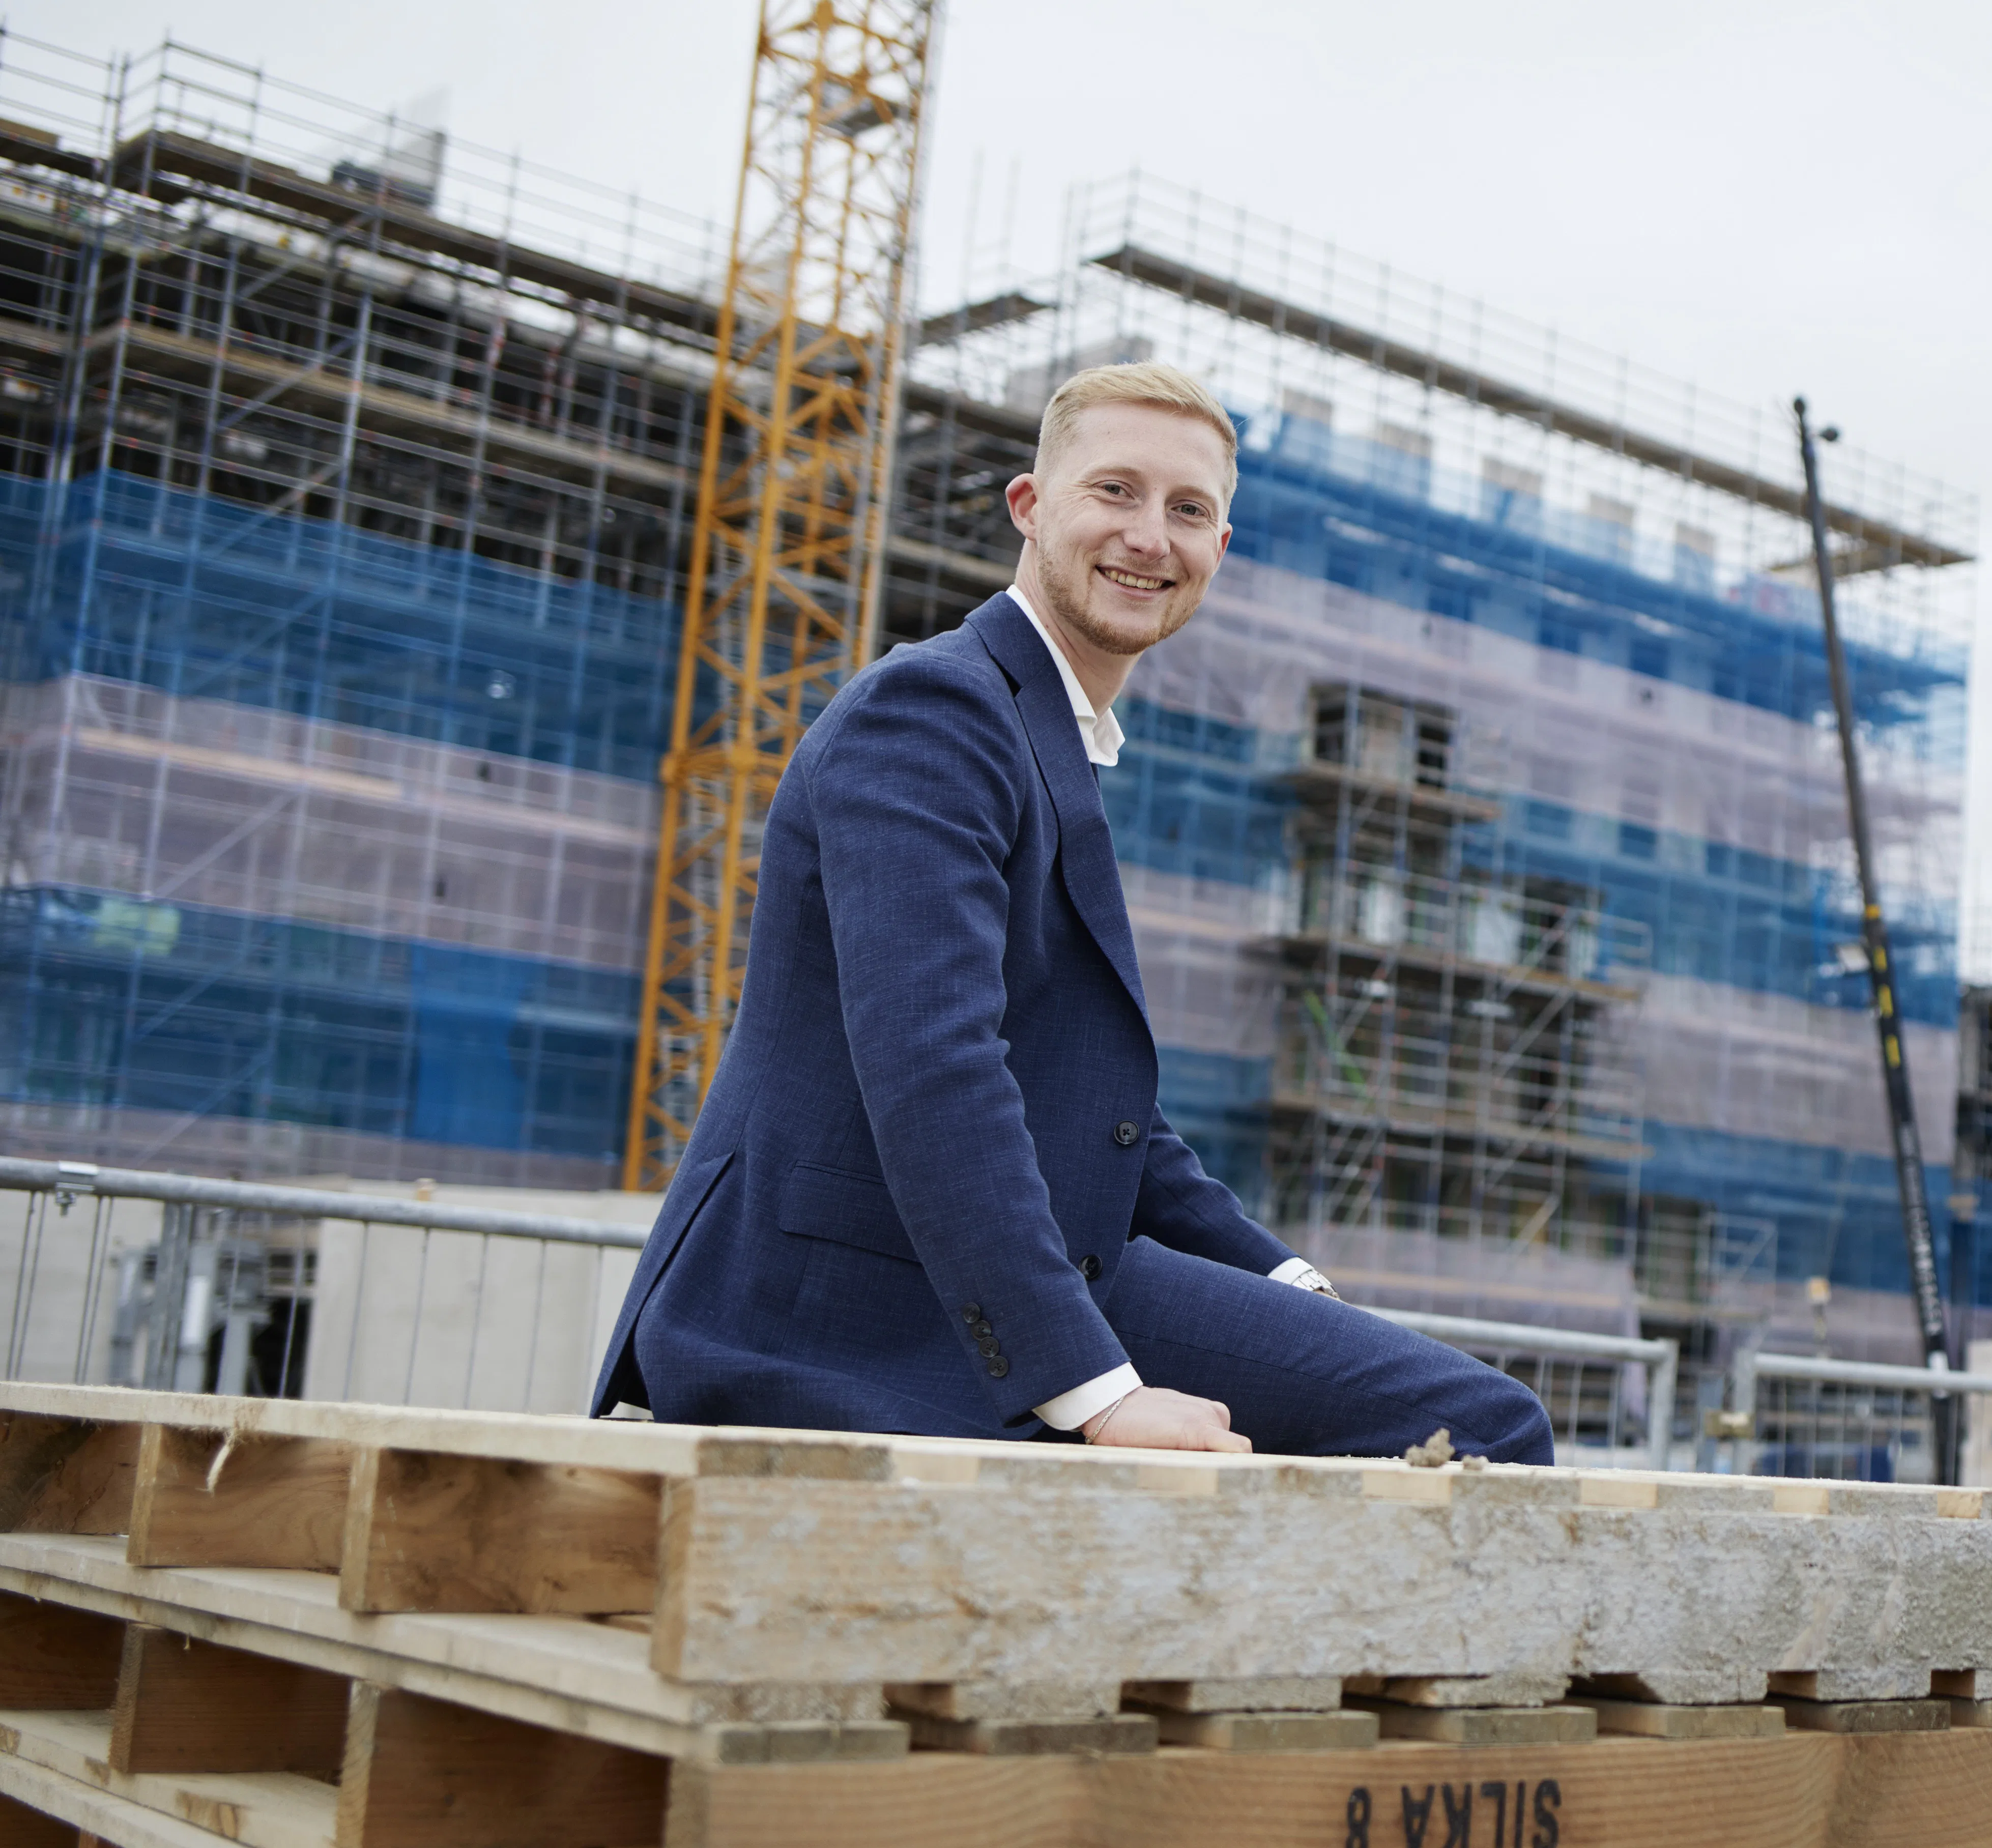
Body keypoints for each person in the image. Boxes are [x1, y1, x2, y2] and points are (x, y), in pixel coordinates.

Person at [588, 363, 1552, 1462]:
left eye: (1188, 511)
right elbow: (933, 1062)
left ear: (1219, 554)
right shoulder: (936, 711)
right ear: (1030, 507)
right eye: (1115, 492)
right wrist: (1088, 1387)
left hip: (989, 1266)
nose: (1151, 536)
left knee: (1432, 1412)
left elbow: (1099, 1122)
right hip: (845, 1300)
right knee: (1477, 1428)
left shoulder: (1045, 737)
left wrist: (1288, 1282)